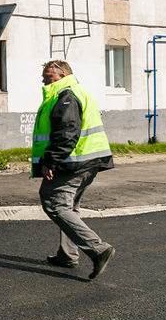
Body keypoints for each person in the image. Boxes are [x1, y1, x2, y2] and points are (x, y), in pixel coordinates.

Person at [32, 59, 116, 279]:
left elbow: (67, 133)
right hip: (89, 160)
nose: (43, 79)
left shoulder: (66, 96)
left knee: (54, 203)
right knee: (70, 206)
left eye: (47, 75)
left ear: (61, 75)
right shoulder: (78, 92)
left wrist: (50, 161)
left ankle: (98, 249)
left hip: (73, 162)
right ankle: (67, 255)